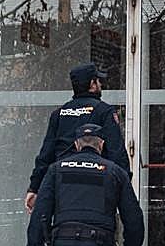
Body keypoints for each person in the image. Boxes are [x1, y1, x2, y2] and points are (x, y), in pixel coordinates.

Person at [25, 63, 129, 214]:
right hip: (96, 185)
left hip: (63, 187)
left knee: (65, 226)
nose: (100, 84)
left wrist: (34, 188)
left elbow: (45, 155)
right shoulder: (104, 112)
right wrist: (125, 187)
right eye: (98, 81)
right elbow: (117, 152)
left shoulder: (59, 114)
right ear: (92, 84)